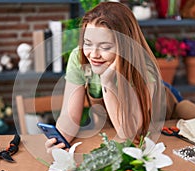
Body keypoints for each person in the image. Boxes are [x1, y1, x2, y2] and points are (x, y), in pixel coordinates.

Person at [45, 2, 166, 152]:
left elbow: (129, 133)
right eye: (88, 43)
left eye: (105, 47)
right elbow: (70, 116)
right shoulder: (79, 56)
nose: (94, 54)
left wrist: (107, 81)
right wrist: (60, 140)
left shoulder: (144, 69)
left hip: (162, 119)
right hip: (110, 128)